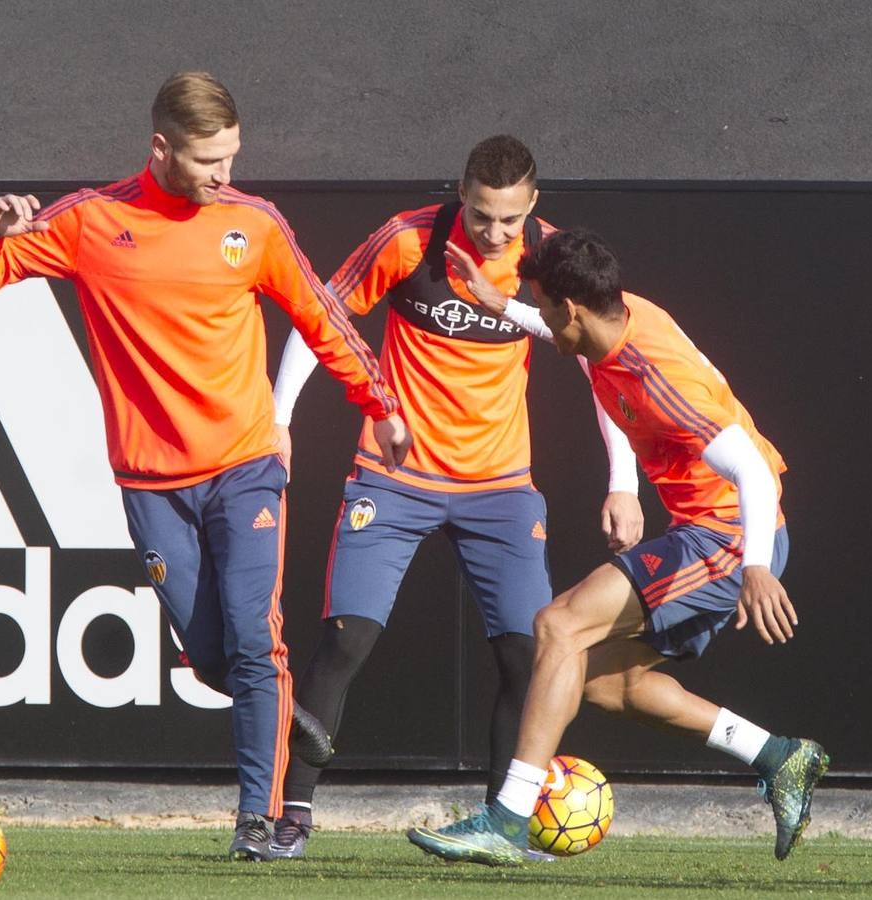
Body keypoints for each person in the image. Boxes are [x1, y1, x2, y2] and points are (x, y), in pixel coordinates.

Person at [0, 70, 410, 861]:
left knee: (251, 641)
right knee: (211, 658)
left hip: (246, 469)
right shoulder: (92, 221)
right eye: (208, 160)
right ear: (161, 147)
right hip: (150, 483)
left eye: (231, 157)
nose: (224, 175)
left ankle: (257, 824)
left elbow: (322, 317)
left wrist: (381, 405)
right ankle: (278, 711)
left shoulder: (253, 225)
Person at [267, 136, 642, 857]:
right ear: (459, 194)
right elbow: (323, 318)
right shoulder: (409, 240)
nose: (493, 233)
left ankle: (502, 828)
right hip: (394, 478)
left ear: (533, 206)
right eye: (478, 215)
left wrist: (622, 483)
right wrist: (280, 422)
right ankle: (290, 817)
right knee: (346, 641)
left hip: (500, 490)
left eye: (507, 220)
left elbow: (606, 367)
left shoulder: (553, 260)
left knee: (526, 660)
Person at [407, 229, 827, 866]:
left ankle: (508, 820)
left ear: (572, 308)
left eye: (545, 305)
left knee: (558, 626)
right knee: (605, 682)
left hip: (731, 535)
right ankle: (778, 756)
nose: (543, 317)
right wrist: (499, 303)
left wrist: (758, 569)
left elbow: (753, 470)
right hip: (709, 531)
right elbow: (559, 332)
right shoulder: (611, 321)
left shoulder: (657, 375)